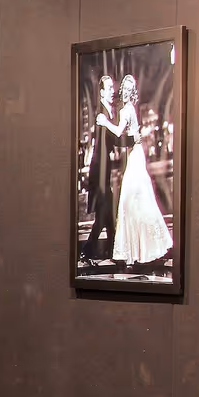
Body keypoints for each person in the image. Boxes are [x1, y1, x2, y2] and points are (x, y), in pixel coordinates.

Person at [110, 73, 173, 268]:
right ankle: (141, 248)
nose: (127, 93)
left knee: (131, 200)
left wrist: (104, 122)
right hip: (135, 154)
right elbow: (133, 136)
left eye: (130, 90)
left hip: (135, 156)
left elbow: (120, 132)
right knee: (137, 199)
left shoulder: (126, 110)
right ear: (122, 91)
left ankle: (137, 250)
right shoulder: (129, 109)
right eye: (125, 90)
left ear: (132, 92)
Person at [82, 73, 116, 264]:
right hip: (100, 172)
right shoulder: (102, 113)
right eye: (109, 88)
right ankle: (87, 252)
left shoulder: (107, 111)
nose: (113, 91)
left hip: (104, 172)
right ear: (102, 91)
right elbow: (106, 143)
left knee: (108, 215)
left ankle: (113, 252)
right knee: (104, 216)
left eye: (113, 87)